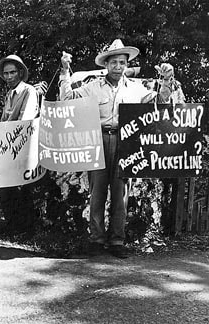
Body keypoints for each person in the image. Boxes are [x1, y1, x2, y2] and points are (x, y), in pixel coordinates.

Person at [59, 39, 173, 258]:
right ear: (106, 64)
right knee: (97, 192)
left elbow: (161, 102)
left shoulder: (137, 89)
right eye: (114, 62)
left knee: (121, 194)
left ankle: (117, 241)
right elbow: (68, 98)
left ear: (127, 64)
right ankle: (96, 239)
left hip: (126, 142)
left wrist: (167, 80)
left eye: (122, 62)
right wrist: (65, 72)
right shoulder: (93, 87)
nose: (118, 66)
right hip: (98, 140)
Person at [0, 54, 42, 233]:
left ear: (20, 73)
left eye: (12, 72)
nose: (8, 77)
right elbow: (4, 119)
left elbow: (25, 120)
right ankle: (11, 225)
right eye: (6, 73)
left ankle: (24, 228)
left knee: (22, 189)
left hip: (23, 144)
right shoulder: (9, 94)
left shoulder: (28, 91)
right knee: (7, 188)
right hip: (8, 145)